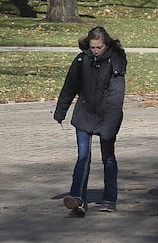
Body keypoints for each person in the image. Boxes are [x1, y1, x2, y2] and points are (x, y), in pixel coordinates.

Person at [54, 26, 127, 215]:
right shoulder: (81, 60)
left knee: (108, 158)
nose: (95, 51)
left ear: (107, 45)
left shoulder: (116, 61)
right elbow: (70, 86)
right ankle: (77, 198)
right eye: (92, 47)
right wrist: (60, 111)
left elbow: (116, 95)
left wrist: (110, 125)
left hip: (107, 115)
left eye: (99, 47)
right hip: (84, 113)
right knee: (83, 157)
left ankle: (110, 198)